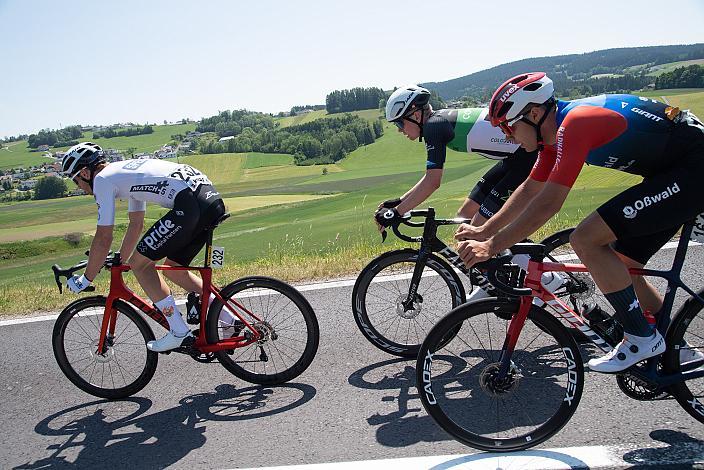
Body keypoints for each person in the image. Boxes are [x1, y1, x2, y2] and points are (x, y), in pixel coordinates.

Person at [454, 72, 704, 372]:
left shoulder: (575, 124)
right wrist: (484, 230)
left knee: (586, 238)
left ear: (534, 113)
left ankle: (641, 337)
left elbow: (549, 203)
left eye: (509, 126)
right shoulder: (551, 134)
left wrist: (492, 246)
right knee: (622, 264)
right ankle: (676, 345)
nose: (508, 136)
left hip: (693, 169)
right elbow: (530, 189)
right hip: (674, 172)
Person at [375, 85, 566, 302]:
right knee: (465, 217)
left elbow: (432, 181)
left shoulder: (433, 127)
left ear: (416, 114)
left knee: (478, 228)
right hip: (514, 159)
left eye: (400, 123)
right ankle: (492, 280)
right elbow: (430, 179)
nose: (400, 130)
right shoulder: (436, 122)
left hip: (526, 159)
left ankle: (549, 279)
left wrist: (397, 211)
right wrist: (398, 203)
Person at [62, 142, 229, 352]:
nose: (79, 188)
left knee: (140, 265)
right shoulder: (124, 174)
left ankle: (178, 331)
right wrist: (120, 259)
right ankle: (229, 318)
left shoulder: (102, 180)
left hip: (190, 204)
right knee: (175, 268)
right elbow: (136, 224)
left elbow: (104, 236)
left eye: (76, 181)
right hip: (208, 200)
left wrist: (86, 279)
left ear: (85, 172)